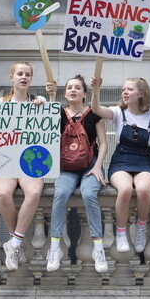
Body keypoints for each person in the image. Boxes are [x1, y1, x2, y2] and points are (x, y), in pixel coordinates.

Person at [0, 61, 56, 272]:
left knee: (35, 192)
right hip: (5, 161)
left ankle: (15, 243)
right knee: (3, 194)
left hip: (29, 161)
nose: (24, 77)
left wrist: (46, 106)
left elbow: (52, 125)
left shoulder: (40, 101)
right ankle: (15, 241)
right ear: (12, 77)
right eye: (20, 73)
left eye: (28, 74)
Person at [90, 75, 150, 253]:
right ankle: (121, 231)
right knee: (124, 189)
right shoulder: (118, 112)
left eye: (129, 89)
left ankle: (141, 227)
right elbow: (96, 109)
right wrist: (95, 90)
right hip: (121, 160)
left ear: (140, 94)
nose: (125, 92)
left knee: (142, 190)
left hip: (144, 161)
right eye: (123, 89)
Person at [46, 75, 109, 274]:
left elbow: (104, 143)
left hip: (91, 164)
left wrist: (98, 167)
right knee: (61, 194)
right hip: (66, 166)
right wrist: (51, 96)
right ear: (65, 93)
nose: (73, 90)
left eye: (77, 87)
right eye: (69, 87)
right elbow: (46, 128)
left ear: (84, 93)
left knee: (89, 194)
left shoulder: (94, 113)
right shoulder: (58, 112)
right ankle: (55, 247)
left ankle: (98, 248)